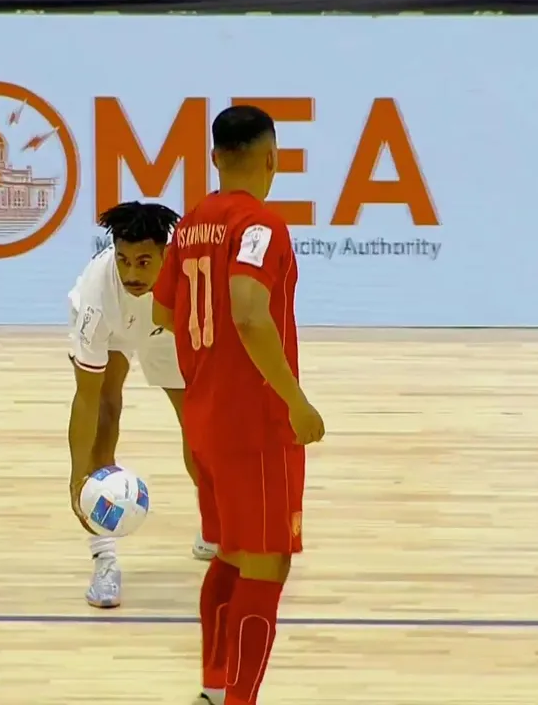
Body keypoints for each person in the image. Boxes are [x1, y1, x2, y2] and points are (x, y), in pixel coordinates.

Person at [151, 105, 325, 705]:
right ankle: (239, 700)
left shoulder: (190, 225)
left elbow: (163, 311)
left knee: (230, 552)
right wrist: (295, 401)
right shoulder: (261, 225)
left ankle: (213, 688)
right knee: (268, 563)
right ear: (273, 157)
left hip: (205, 416)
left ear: (215, 157)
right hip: (255, 424)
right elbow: (250, 312)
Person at [67, 200, 217, 609]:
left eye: (144, 262)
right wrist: (78, 477)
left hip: (164, 326)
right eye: (123, 260)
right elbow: (87, 398)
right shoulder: (97, 298)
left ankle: (215, 527)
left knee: (198, 423)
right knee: (106, 413)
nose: (132, 273)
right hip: (114, 330)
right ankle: (104, 561)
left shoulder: (190, 280)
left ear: (167, 254)